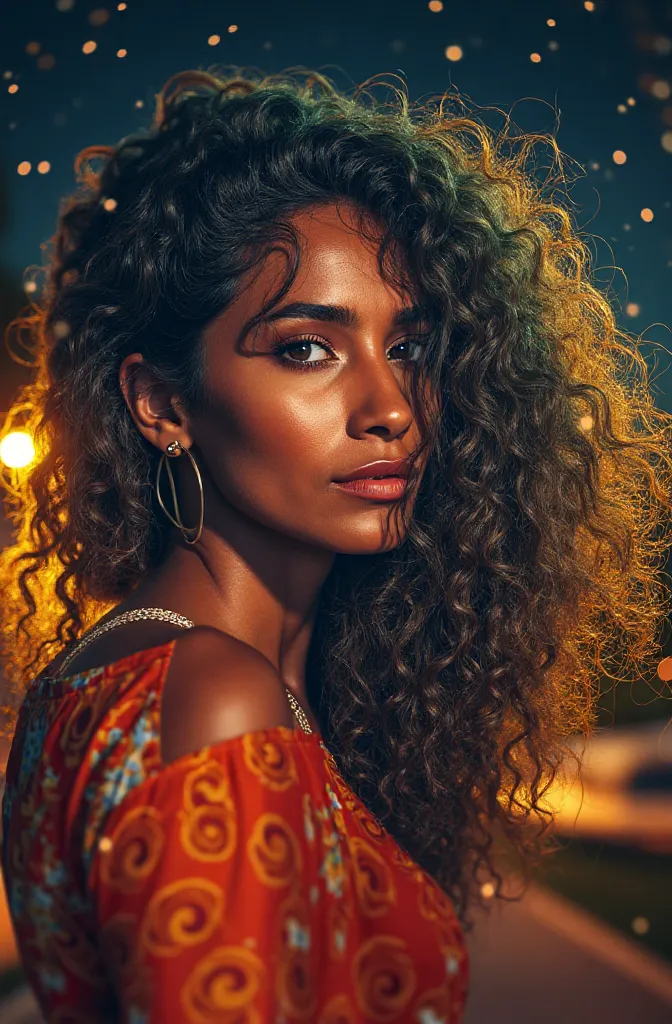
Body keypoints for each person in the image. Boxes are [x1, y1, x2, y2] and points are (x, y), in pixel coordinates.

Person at [1, 67, 670, 1023]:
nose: (391, 408)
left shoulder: (120, 675)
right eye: (306, 348)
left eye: (407, 347)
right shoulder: (215, 699)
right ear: (162, 404)